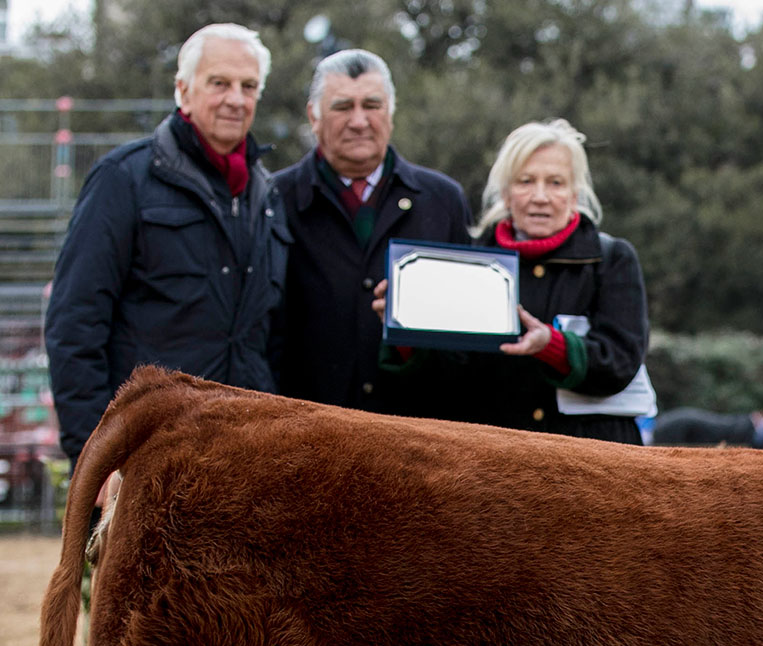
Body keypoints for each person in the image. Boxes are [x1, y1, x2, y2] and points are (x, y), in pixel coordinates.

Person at [44, 23, 288, 465]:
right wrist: (93, 458)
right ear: (183, 89)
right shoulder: (123, 180)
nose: (236, 98)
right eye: (219, 83)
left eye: (248, 86)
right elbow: (74, 324)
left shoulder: (269, 197)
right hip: (147, 458)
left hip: (246, 460)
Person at [382, 119, 651, 443]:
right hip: (493, 461)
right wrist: (404, 328)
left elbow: (620, 361)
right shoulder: (468, 261)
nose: (540, 196)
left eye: (555, 183)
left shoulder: (610, 259)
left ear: (574, 194)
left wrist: (552, 346)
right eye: (526, 181)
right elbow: (445, 379)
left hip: (590, 458)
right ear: (507, 194)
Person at [273, 49, 470, 417]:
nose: (359, 121)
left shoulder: (443, 201)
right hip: (306, 433)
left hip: (415, 433)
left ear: (391, 113)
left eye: (372, 105)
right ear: (313, 116)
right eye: (342, 106)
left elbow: (464, 343)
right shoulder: (273, 200)